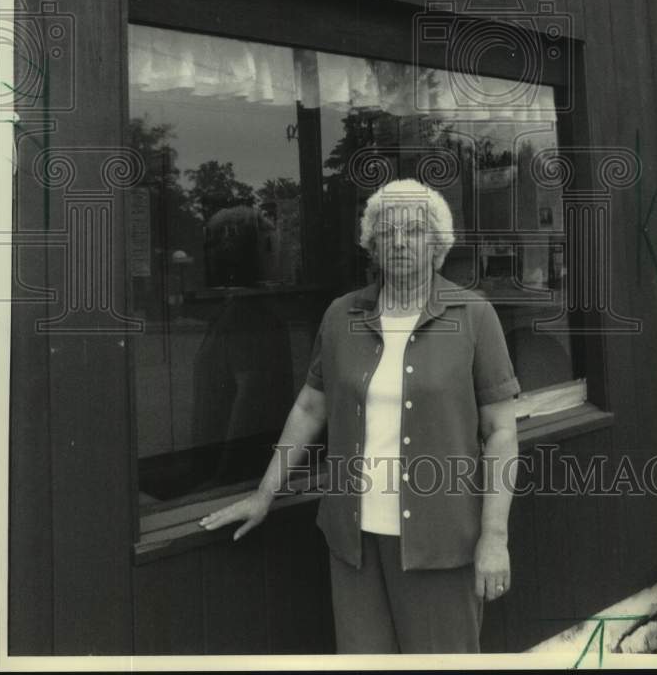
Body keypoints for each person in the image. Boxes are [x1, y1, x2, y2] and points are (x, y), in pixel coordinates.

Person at [199, 178, 521, 654]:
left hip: (442, 545)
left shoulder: (474, 316)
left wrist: (494, 537)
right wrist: (264, 493)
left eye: (414, 231)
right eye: (386, 231)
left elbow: (500, 433)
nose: (399, 241)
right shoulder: (340, 316)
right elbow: (310, 407)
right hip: (355, 546)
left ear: (437, 246)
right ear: (372, 245)